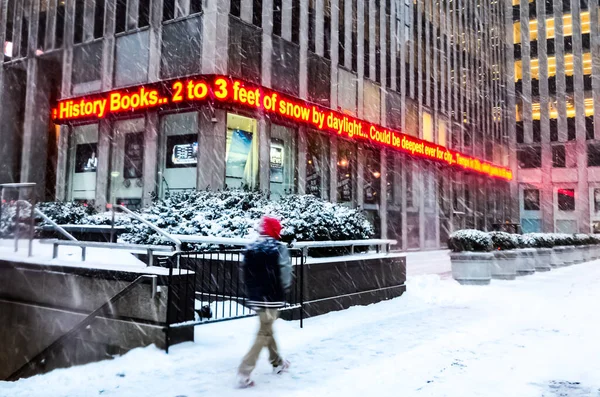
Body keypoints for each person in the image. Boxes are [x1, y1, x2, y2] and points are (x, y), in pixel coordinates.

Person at [237, 215, 292, 388]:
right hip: (273, 297)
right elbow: (285, 272)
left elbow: (244, 272)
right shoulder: (278, 249)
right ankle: (245, 370)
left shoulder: (251, 247)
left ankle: (277, 362)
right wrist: (284, 288)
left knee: (266, 330)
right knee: (264, 333)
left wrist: (253, 290)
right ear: (276, 230)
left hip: (256, 297)